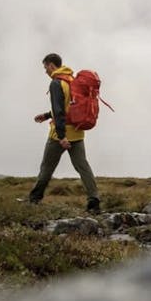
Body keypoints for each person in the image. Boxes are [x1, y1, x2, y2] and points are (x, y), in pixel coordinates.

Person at [25, 53, 101, 212]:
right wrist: (47, 115)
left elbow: (60, 111)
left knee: (46, 167)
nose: (45, 70)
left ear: (51, 65)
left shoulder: (56, 83)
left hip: (59, 135)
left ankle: (33, 199)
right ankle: (94, 201)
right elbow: (70, 108)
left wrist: (61, 137)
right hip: (78, 132)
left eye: (45, 67)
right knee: (82, 166)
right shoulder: (73, 81)